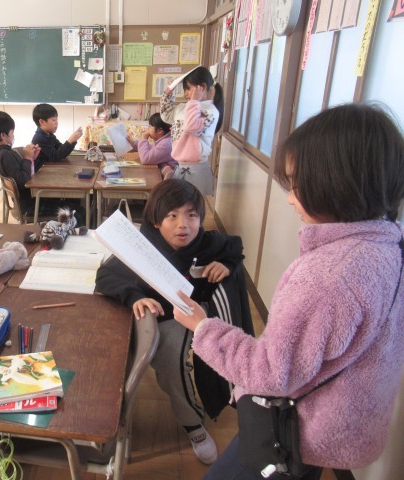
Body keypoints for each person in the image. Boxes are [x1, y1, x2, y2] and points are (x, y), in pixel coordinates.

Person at [173, 104, 404, 479]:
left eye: (296, 184)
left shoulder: (328, 276)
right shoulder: (386, 247)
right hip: (341, 422)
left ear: (336, 184)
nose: (289, 197)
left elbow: (269, 372)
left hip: (295, 430)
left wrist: (203, 327)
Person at [95, 178, 252, 465]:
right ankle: (106, 418)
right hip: (151, 315)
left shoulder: (206, 242)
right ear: (157, 221)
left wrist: (227, 265)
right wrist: (135, 297)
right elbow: (105, 276)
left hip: (189, 315)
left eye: (192, 215)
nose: (184, 225)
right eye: (172, 216)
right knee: (117, 355)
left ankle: (192, 422)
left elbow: (235, 246)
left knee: (171, 360)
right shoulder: (142, 245)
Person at [160, 66, 224, 195]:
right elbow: (166, 115)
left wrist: (194, 101)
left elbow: (191, 127)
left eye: (188, 88)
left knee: (193, 206)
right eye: (185, 89)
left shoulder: (211, 111)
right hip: (180, 167)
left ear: (202, 87)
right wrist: (168, 94)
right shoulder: (184, 107)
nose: (185, 93)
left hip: (197, 171)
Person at [0, 110, 40, 217]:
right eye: (12, 132)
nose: (13, 135)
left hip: (27, 201)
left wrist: (31, 159)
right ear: (3, 135)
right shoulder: (5, 155)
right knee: (72, 205)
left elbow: (19, 173)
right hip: (30, 205)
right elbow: (23, 181)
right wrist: (27, 158)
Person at [31, 103, 83, 170]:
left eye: (57, 120)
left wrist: (73, 140)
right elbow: (55, 157)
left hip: (49, 169)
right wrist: (70, 141)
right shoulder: (39, 138)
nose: (57, 123)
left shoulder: (50, 135)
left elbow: (62, 152)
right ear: (42, 122)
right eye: (53, 120)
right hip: (40, 172)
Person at [127, 112, 177, 179]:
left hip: (170, 179)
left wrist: (144, 139)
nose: (148, 129)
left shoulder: (166, 144)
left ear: (159, 131)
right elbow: (148, 148)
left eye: (150, 126)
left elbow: (145, 158)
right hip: (159, 173)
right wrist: (133, 143)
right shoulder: (162, 139)